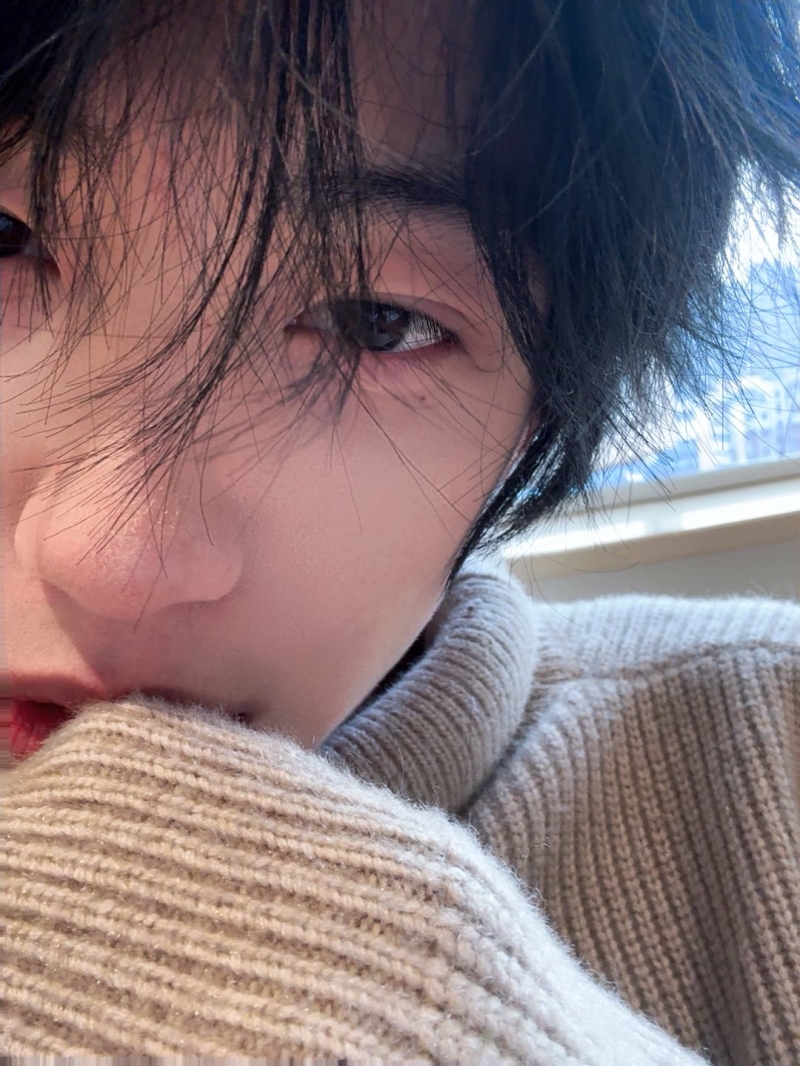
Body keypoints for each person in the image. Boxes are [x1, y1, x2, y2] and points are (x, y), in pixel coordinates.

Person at [1, 0, 799, 1060]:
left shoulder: (767, 763)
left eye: (373, 320)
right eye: (4, 241)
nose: (112, 559)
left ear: (540, 414)